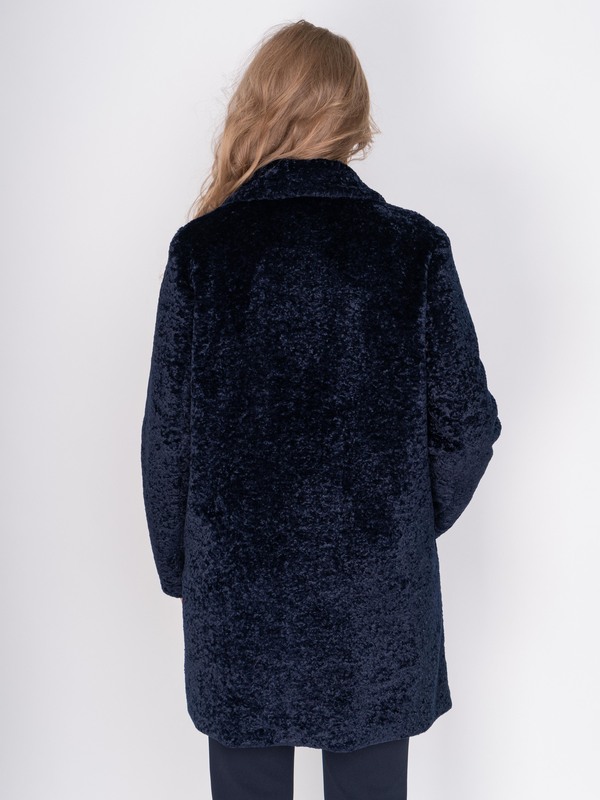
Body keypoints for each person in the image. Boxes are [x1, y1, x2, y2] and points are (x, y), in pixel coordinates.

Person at [140, 19, 502, 800]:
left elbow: (168, 440)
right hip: (375, 607)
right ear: (353, 116)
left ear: (261, 104)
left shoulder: (204, 253)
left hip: (240, 600)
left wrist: (186, 572)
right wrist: (398, 528)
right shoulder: (412, 249)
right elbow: (468, 426)